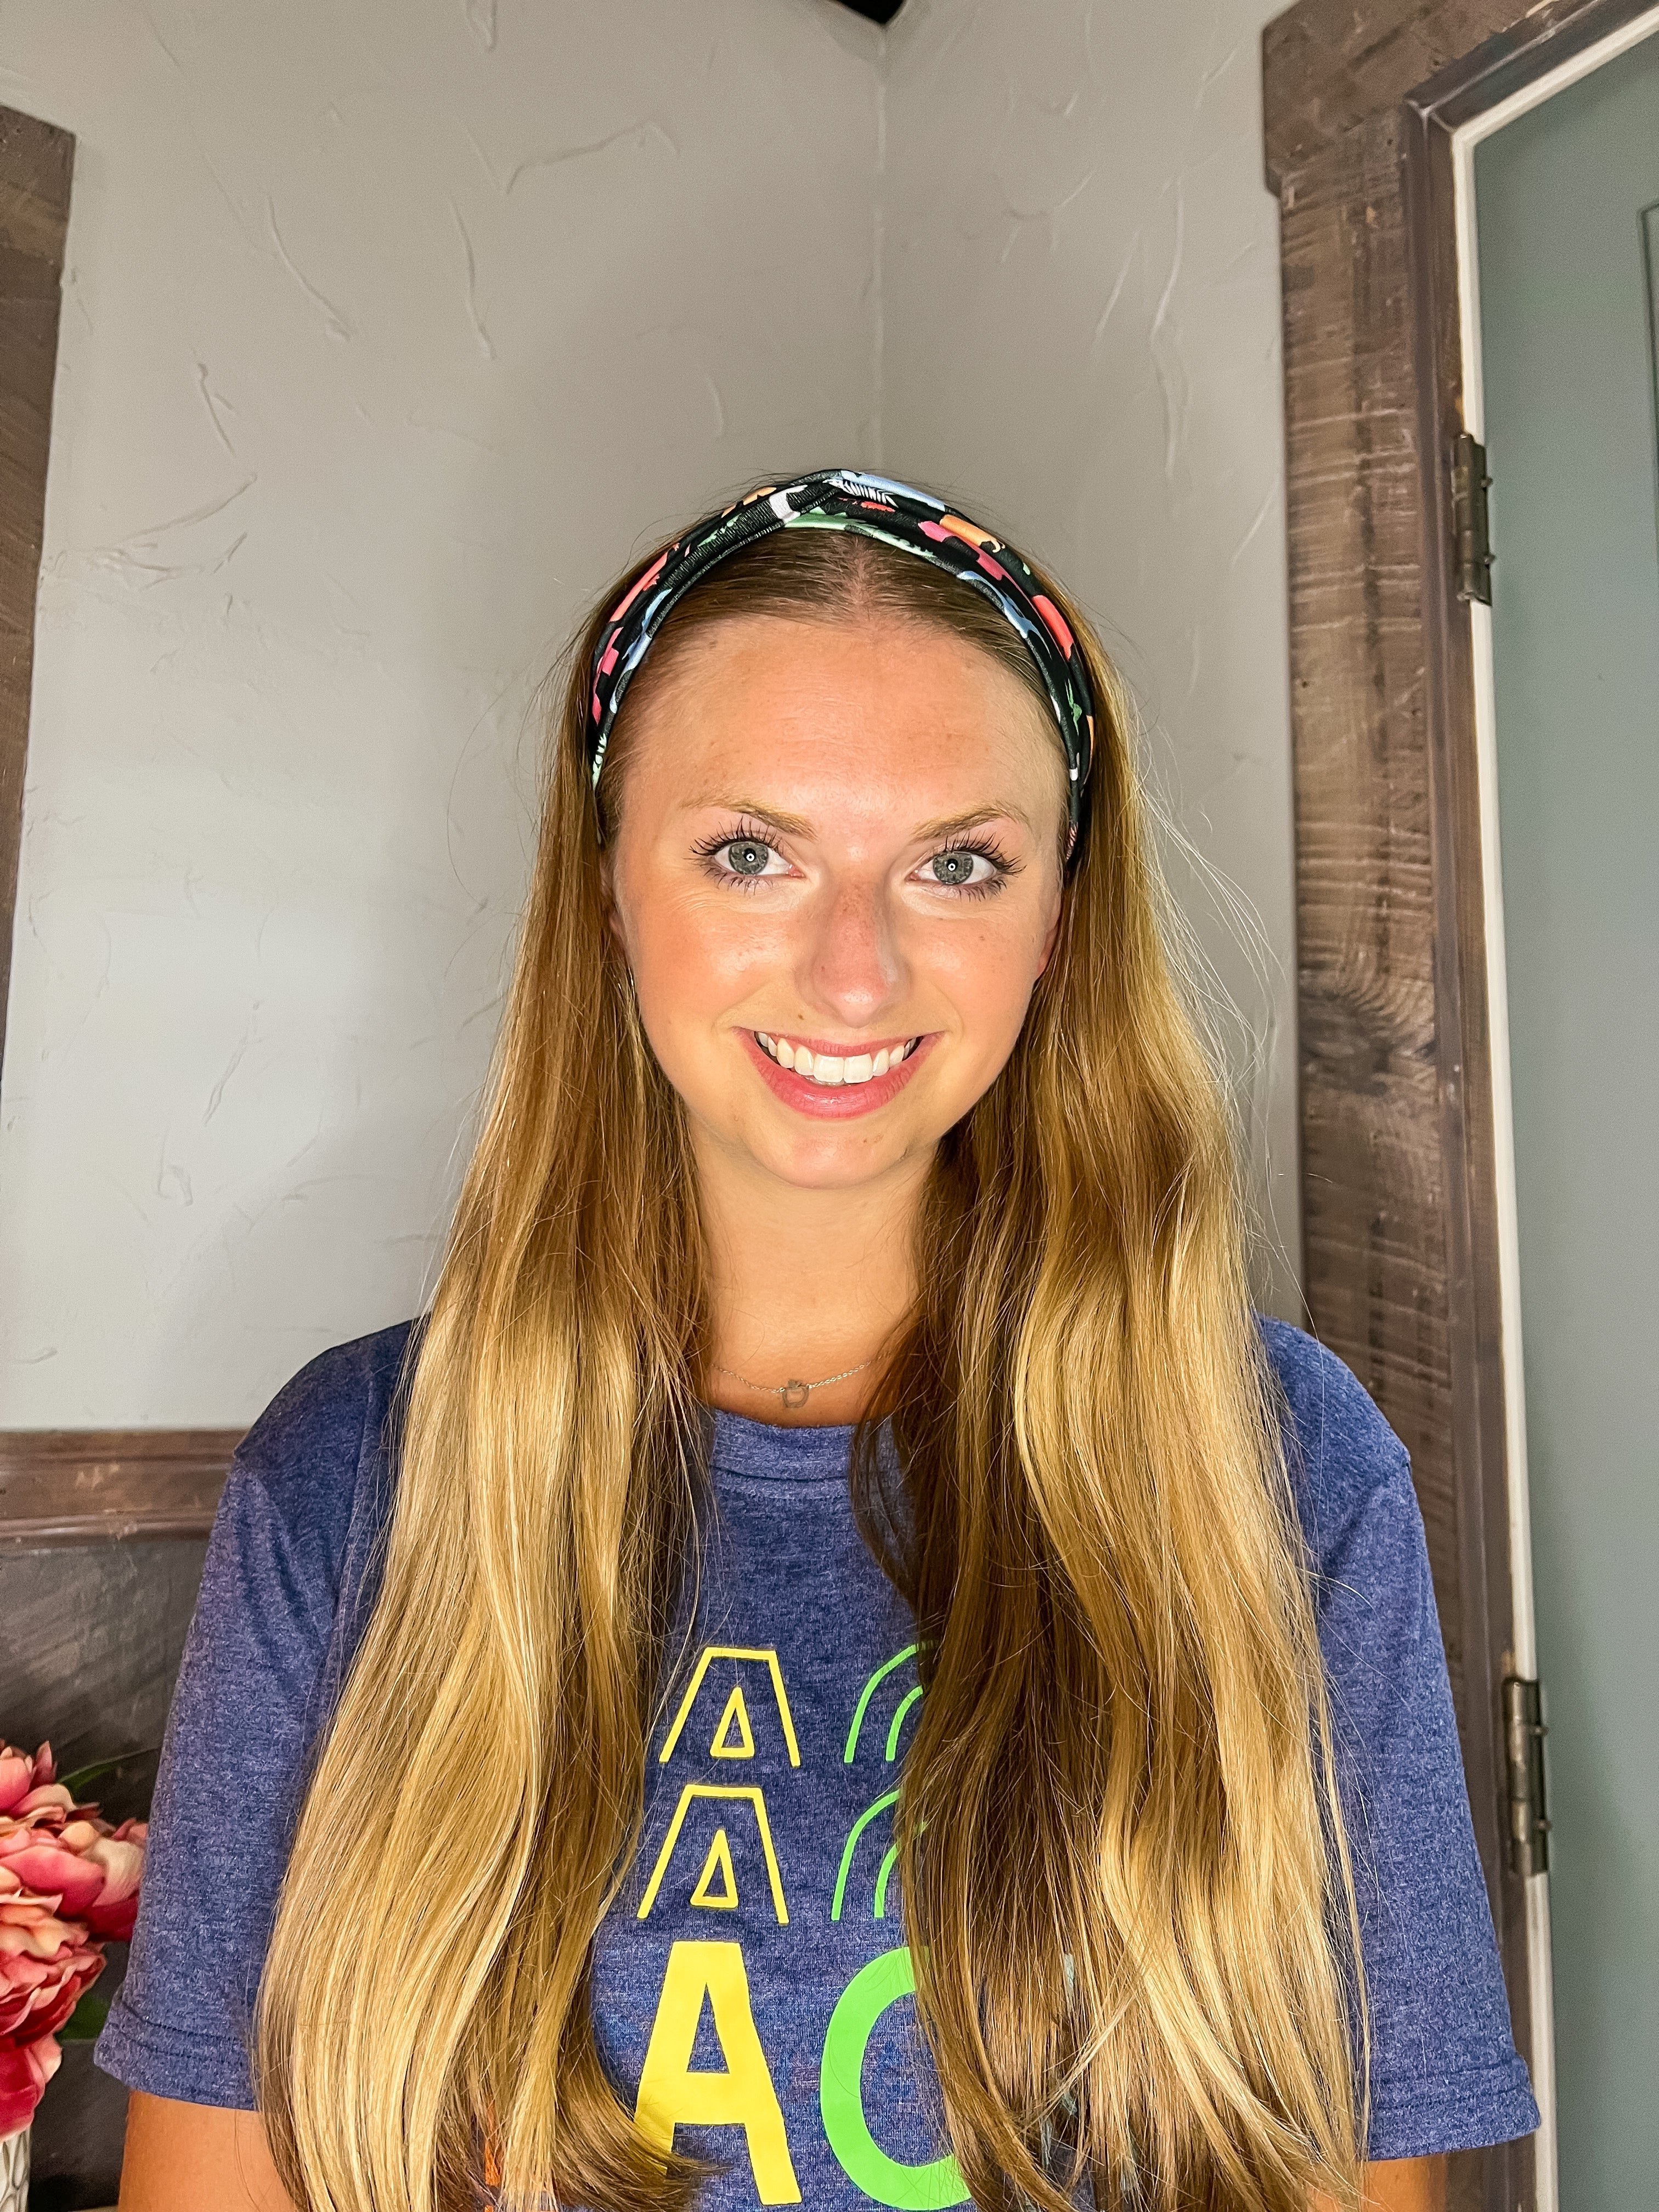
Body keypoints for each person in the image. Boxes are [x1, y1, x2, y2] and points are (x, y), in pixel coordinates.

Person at [99, 472, 1538, 2212]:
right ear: (612, 891)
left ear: (1056, 924)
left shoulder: (1284, 1465)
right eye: (750, 853)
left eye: (957, 863)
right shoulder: (348, 1471)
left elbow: (1349, 2171)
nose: (855, 973)